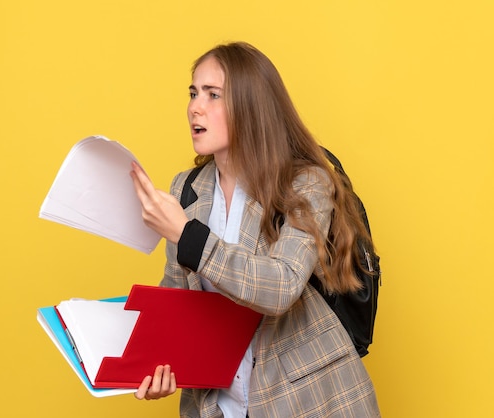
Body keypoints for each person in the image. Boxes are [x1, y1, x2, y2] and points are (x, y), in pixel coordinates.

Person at [130, 41, 380, 418]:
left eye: (213, 95)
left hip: (312, 402)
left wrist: (188, 237)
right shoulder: (187, 189)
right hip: (221, 406)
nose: (196, 107)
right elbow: (178, 303)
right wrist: (157, 365)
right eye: (194, 93)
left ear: (250, 107)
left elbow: (280, 285)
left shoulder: (304, 182)